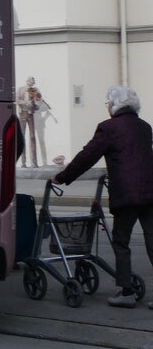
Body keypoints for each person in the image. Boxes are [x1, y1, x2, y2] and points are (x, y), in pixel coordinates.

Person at [54, 86, 153, 308]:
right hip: (150, 192)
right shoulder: (145, 127)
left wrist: (62, 177)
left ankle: (126, 292)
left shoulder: (108, 128)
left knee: (121, 240)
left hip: (127, 194)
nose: (108, 107)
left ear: (114, 106)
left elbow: (87, 156)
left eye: (108, 104)